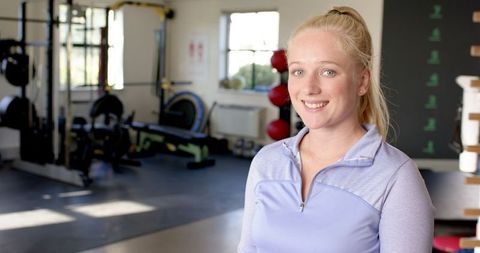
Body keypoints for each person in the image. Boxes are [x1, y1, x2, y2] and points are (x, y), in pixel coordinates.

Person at [237, 6, 434, 253]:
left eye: (328, 71)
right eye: (298, 71)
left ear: (362, 81)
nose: (309, 88)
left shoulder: (395, 177)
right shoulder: (267, 162)